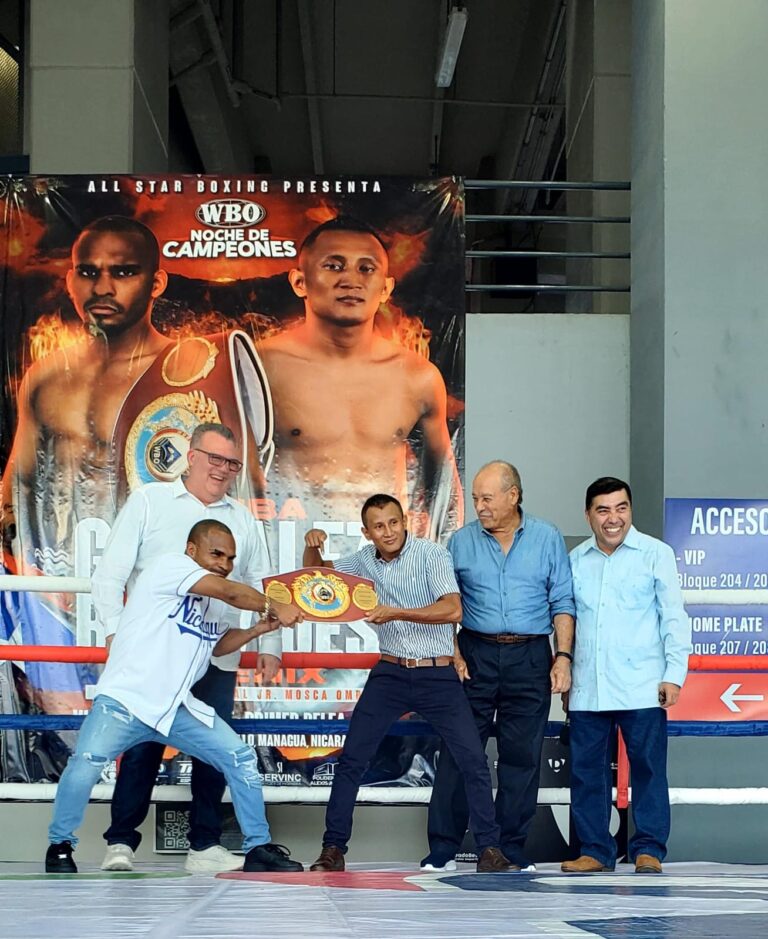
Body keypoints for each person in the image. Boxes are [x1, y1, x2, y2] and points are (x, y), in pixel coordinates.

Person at [1, 215, 271, 716]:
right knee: (108, 741)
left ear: (156, 282)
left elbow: (244, 499)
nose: (102, 287)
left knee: (197, 734)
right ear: (70, 278)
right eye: (88, 271)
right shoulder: (45, 377)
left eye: (123, 272)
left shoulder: (195, 370)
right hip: (62, 596)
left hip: (171, 606)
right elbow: (12, 496)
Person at [45, 519, 304, 875]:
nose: (224, 564)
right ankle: (60, 845)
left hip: (176, 708)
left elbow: (216, 647)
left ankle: (257, 847)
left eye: (230, 558)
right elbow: (230, 592)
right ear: (191, 549)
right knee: (85, 764)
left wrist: (256, 630)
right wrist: (274, 604)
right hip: (126, 701)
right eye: (217, 554)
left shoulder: (213, 602)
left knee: (240, 759)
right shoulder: (170, 567)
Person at [90, 421, 287, 874]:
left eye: (232, 463)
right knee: (141, 745)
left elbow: (260, 582)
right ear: (191, 454)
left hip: (214, 654)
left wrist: (271, 642)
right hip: (153, 661)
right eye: (215, 458)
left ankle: (205, 843)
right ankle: (120, 842)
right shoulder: (149, 502)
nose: (222, 469)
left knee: (215, 749)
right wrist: (116, 635)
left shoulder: (242, 518)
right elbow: (110, 575)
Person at [303, 493, 516, 874]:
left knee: (473, 760)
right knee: (352, 759)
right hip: (390, 673)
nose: (388, 532)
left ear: (405, 522)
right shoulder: (364, 560)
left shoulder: (431, 555)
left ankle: (490, 849)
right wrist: (311, 548)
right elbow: (317, 584)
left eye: (393, 522)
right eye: (379, 526)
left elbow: (453, 609)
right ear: (367, 532)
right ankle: (332, 849)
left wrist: (396, 611)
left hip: (437, 673)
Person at [258, 216, 462, 538]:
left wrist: (441, 566)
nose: (351, 280)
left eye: (366, 269)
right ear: (300, 282)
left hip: (383, 566)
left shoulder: (417, 376)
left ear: (386, 288)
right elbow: (225, 472)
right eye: (334, 266)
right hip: (286, 559)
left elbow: (443, 493)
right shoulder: (260, 366)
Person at [425, 460, 575, 872]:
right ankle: (443, 848)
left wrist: (562, 657)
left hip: (530, 655)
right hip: (473, 654)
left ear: (514, 495)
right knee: (459, 751)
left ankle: (510, 848)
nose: (480, 506)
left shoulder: (546, 538)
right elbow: (445, 604)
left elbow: (563, 602)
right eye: (475, 498)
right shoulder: (460, 542)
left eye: (487, 498)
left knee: (522, 756)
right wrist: (452, 651)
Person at [561, 477, 691, 875]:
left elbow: (674, 617)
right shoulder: (575, 560)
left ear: (630, 510)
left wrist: (675, 674)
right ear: (588, 515)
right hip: (588, 686)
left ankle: (649, 848)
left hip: (643, 685)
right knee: (586, 774)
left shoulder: (656, 554)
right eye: (603, 510)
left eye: (620, 508)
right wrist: (564, 669)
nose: (612, 518)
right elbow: (566, 622)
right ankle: (595, 851)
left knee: (649, 769)